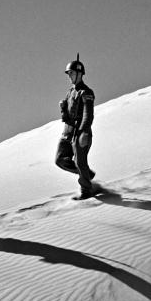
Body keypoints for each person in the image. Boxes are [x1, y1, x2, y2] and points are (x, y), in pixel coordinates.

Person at [55, 55, 98, 199]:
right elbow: (67, 115)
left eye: (71, 73)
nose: (69, 76)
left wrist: (84, 132)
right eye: (69, 74)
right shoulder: (70, 92)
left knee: (80, 161)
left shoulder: (86, 92)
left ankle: (86, 191)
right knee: (60, 160)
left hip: (80, 132)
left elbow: (88, 115)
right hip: (67, 132)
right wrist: (63, 109)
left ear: (79, 74)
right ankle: (86, 174)